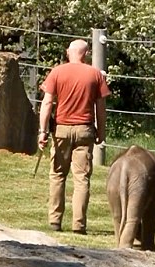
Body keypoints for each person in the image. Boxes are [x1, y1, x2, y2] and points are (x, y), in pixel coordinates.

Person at [38, 39, 111, 234]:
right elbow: (101, 108)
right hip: (85, 130)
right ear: (86, 54)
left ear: (68, 52)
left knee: (57, 175)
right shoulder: (95, 75)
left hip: (61, 129)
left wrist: (43, 131)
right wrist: (101, 131)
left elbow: (47, 103)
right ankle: (79, 225)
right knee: (82, 178)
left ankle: (55, 221)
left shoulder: (57, 72)